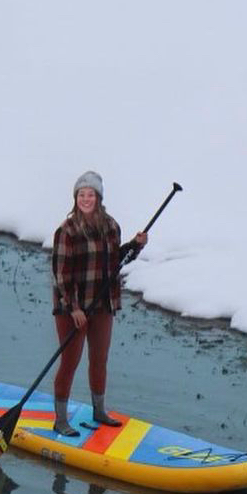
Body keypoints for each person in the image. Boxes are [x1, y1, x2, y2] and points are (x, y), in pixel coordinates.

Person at [50, 170, 146, 436]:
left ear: (99, 198)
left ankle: (99, 410)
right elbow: (61, 274)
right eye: (82, 195)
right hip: (73, 307)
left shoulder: (111, 226)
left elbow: (116, 261)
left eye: (90, 194)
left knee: (99, 359)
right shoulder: (66, 230)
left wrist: (135, 247)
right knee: (70, 361)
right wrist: (74, 308)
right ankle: (60, 419)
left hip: (102, 302)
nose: (86, 199)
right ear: (75, 198)